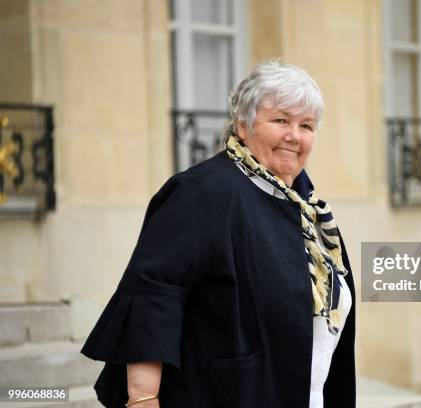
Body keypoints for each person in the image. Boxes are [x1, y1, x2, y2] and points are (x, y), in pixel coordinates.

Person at [81, 59, 356, 407]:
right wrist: (143, 399)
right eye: (280, 120)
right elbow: (154, 297)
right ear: (243, 124)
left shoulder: (311, 212)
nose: (294, 136)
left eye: (307, 125)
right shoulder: (202, 192)